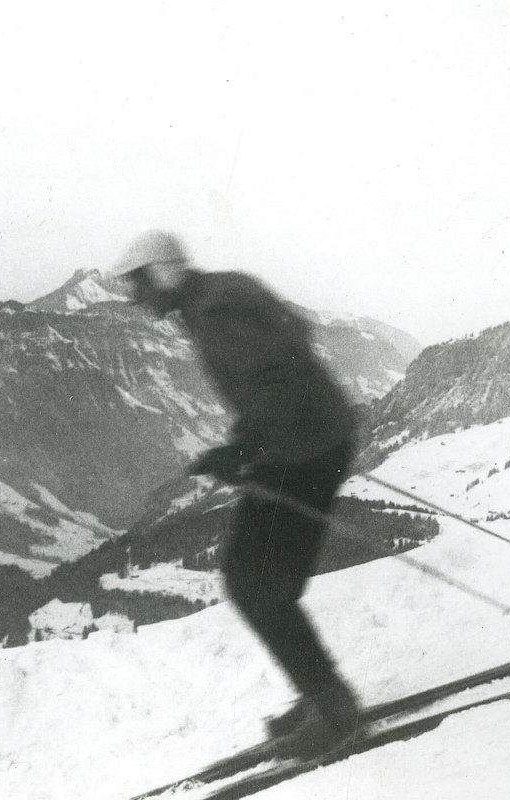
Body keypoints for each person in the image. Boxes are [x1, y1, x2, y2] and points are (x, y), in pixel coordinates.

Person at [111, 230, 362, 753]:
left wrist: (243, 452)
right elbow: (284, 357)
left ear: (162, 272)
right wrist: (244, 442)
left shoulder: (213, 312)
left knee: (252, 582)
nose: (135, 298)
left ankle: (332, 708)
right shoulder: (218, 294)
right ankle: (322, 692)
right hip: (312, 441)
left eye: (138, 284)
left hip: (302, 451)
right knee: (268, 583)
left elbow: (271, 382)